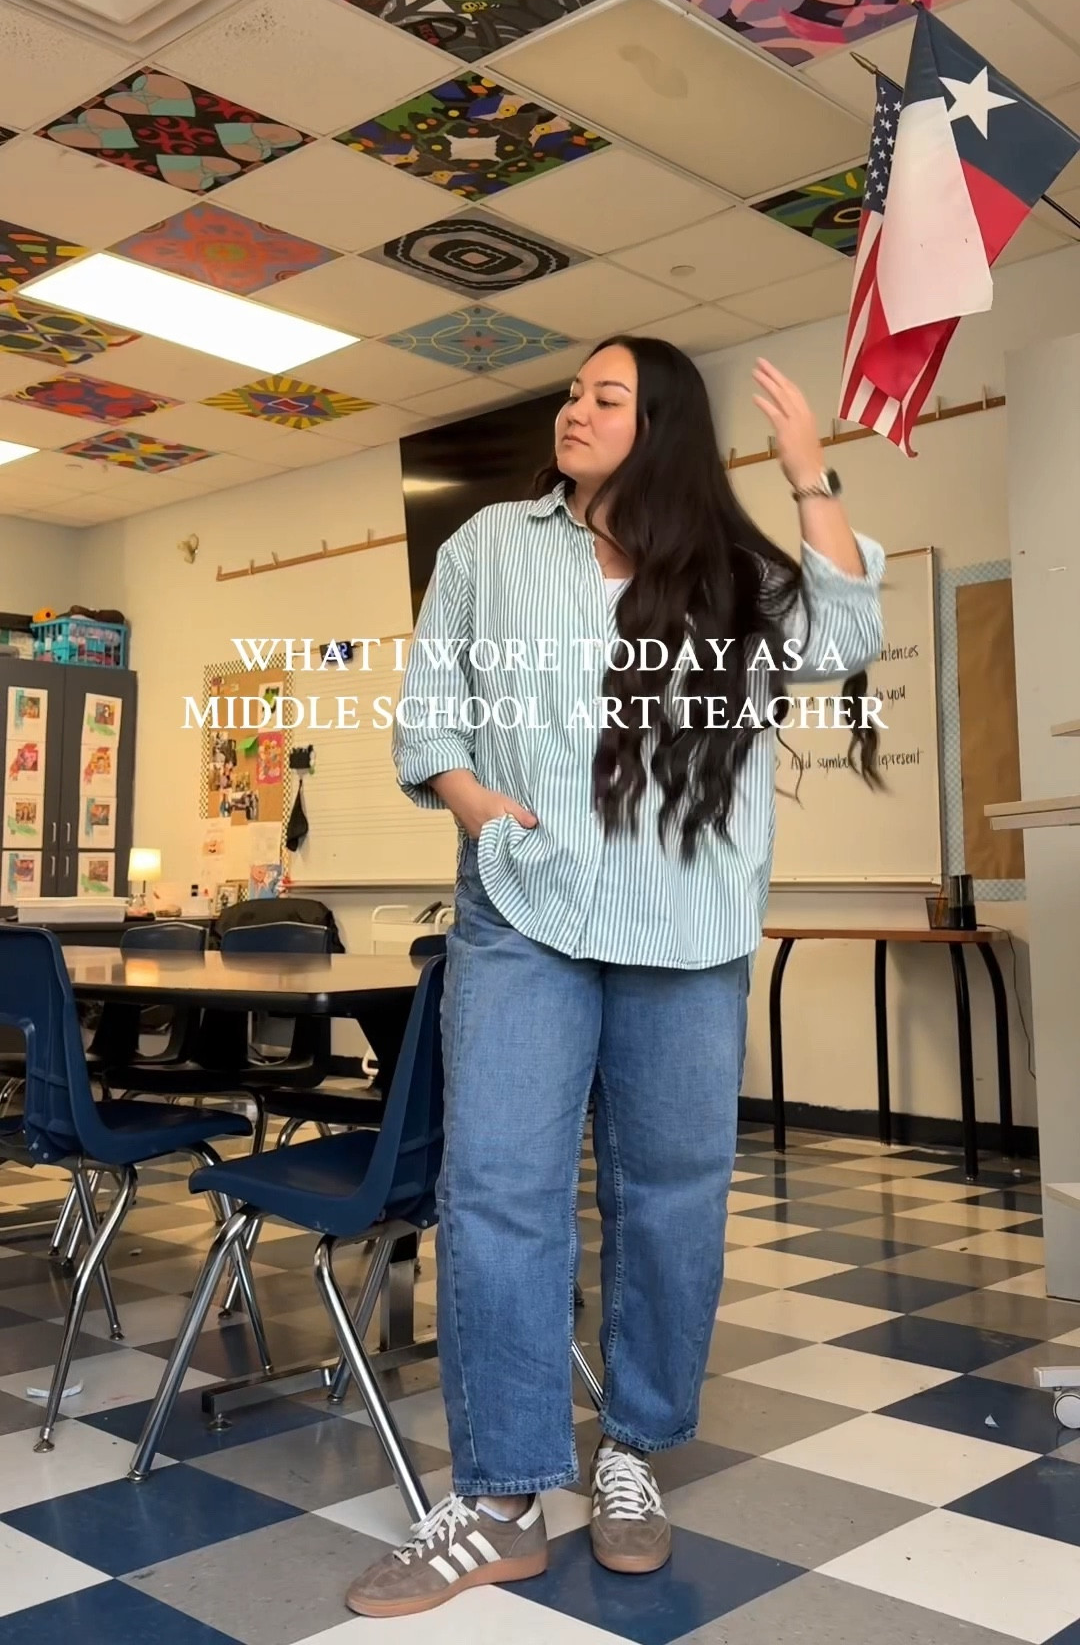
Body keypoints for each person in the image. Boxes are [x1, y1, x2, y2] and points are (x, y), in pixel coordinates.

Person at [346, 339, 885, 1619]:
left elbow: (847, 631)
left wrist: (810, 474)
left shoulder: (735, 576)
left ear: (662, 432)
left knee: (670, 1202)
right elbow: (432, 721)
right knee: (499, 1197)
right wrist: (486, 815)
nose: (575, 410)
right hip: (524, 911)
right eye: (572, 392)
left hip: (686, 926)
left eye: (606, 397)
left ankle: (631, 1452)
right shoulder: (488, 546)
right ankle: (502, 1499)